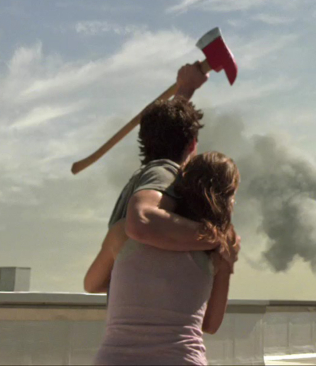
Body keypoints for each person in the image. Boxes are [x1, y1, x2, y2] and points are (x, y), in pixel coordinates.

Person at [85, 151, 240, 365]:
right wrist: (228, 265)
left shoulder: (122, 233)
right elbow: (210, 324)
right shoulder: (218, 248)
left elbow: (91, 284)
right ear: (226, 197)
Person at [107, 62, 239, 265]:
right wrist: (215, 237)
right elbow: (141, 220)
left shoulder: (147, 175)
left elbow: (168, 126)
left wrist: (186, 88)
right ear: (193, 143)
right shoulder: (164, 173)